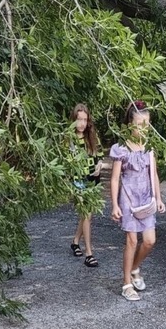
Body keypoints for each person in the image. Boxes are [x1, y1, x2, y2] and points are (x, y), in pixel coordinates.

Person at [109, 100, 166, 300]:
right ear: (130, 124)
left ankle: (134, 269)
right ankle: (126, 284)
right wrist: (115, 204)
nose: (144, 128)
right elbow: (115, 178)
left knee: (150, 241)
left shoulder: (150, 147)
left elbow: (155, 174)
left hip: (146, 197)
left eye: (147, 124)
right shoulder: (121, 148)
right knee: (132, 241)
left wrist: (158, 198)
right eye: (140, 124)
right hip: (128, 198)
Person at [68, 103, 103, 267]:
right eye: (78, 119)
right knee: (87, 214)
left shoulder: (92, 136)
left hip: (92, 181)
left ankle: (75, 241)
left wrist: (99, 166)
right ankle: (89, 253)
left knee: (86, 215)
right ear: (73, 120)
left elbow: (100, 155)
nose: (81, 123)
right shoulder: (68, 139)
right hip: (78, 181)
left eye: (84, 119)